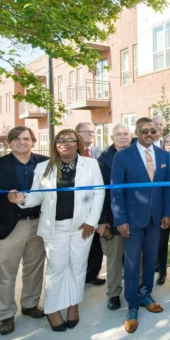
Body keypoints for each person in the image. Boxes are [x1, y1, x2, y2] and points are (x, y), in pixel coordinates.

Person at [7, 128, 104, 332]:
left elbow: (99, 193)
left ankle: (73, 306)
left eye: (70, 140)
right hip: (55, 227)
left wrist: (91, 222)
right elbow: (37, 196)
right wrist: (22, 198)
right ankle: (52, 310)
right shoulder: (44, 167)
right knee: (56, 270)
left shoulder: (91, 164)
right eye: (60, 140)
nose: (64, 143)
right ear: (54, 144)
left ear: (77, 143)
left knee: (77, 268)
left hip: (82, 227)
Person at [0, 126, 48, 335]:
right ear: (9, 143)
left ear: (33, 141)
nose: (22, 142)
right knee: (5, 273)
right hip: (8, 227)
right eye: (16, 139)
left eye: (26, 138)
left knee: (34, 269)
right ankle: (5, 315)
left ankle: (30, 304)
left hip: (38, 223)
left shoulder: (46, 164)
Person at [111, 117, 170, 333]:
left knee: (150, 260)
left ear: (157, 132)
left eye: (152, 131)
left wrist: (167, 213)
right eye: (144, 131)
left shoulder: (164, 156)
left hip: (156, 218)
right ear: (137, 132)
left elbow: (166, 188)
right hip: (132, 219)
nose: (149, 134)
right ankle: (132, 304)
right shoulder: (123, 156)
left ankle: (146, 294)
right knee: (131, 262)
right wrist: (120, 220)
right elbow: (116, 189)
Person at [97, 123, 133, 311]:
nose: (123, 137)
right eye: (118, 134)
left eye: (126, 134)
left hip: (136, 215)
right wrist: (103, 220)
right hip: (112, 217)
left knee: (136, 257)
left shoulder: (138, 154)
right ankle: (113, 294)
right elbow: (101, 193)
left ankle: (137, 290)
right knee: (114, 258)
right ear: (112, 138)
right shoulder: (103, 161)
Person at [77, 121, 106, 287]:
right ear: (78, 133)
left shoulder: (98, 152)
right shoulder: (74, 153)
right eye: (86, 132)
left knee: (96, 244)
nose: (90, 134)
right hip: (79, 205)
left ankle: (92, 274)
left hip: (96, 202)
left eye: (93, 132)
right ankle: (79, 275)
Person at [152, 114, 170, 284]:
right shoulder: (143, 145)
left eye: (160, 125)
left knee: (163, 239)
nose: (158, 127)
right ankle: (157, 267)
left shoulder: (168, 147)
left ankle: (163, 270)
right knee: (157, 241)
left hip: (169, 201)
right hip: (151, 205)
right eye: (155, 124)